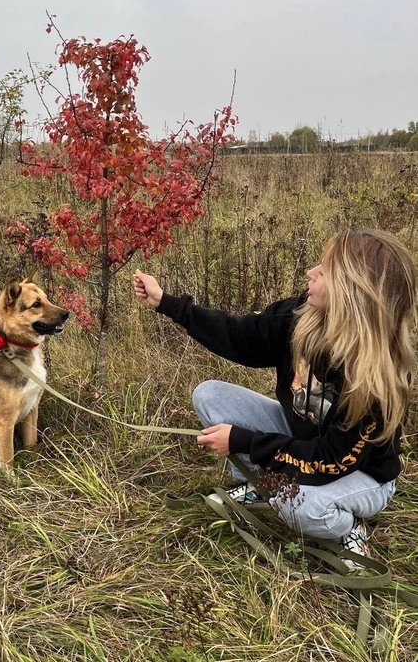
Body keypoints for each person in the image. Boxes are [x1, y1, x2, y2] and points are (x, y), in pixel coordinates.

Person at [133, 229, 417, 567]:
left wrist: (244, 441)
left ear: (353, 293)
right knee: (209, 395)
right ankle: (264, 485)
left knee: (297, 504)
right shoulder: (301, 316)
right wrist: (167, 303)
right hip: (301, 439)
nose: (310, 272)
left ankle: (345, 527)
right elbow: (239, 336)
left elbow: (329, 461)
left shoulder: (375, 382)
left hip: (360, 475)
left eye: (324, 271)